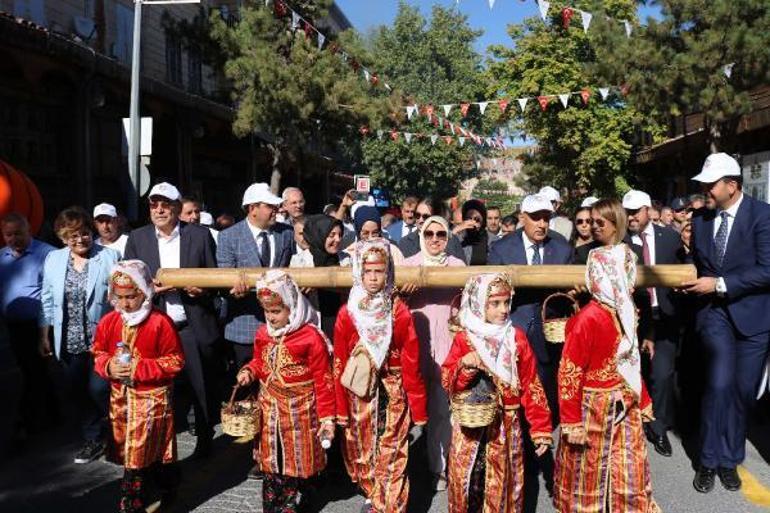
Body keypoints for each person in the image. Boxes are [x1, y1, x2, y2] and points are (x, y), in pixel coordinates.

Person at [682, 153, 770, 493]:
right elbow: (696, 261)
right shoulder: (702, 219)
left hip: (754, 320)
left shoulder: (763, 217)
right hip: (714, 315)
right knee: (718, 386)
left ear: (732, 186)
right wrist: (688, 275)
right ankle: (707, 460)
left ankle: (730, 460)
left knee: (741, 393)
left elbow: (767, 269)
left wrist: (719, 283)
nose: (704, 188)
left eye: (711, 183)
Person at [554, 241, 659, 513]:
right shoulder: (588, 318)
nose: (631, 280)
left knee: (630, 470)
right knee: (588, 473)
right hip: (592, 409)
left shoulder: (625, 312)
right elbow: (569, 372)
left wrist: (643, 397)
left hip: (626, 403)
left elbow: (630, 362)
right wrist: (572, 422)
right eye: (626, 273)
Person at [442, 273, 553, 513]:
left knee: (502, 485)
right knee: (469, 482)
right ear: (479, 304)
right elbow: (447, 380)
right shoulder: (465, 338)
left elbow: (531, 384)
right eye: (495, 304)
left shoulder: (516, 338)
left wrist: (541, 428)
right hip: (470, 425)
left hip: (506, 425)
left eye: (506, 303)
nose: (503, 310)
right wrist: (465, 367)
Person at [123, 182, 219, 458]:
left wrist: (200, 289)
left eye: (166, 205)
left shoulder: (199, 236)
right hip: (155, 326)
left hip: (192, 324)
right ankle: (159, 447)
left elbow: (215, 278)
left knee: (201, 385)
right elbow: (129, 282)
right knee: (159, 390)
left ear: (177, 208)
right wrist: (152, 290)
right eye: (154, 204)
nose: (160, 210)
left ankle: (205, 437)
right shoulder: (138, 238)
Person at [333, 239, 427, 513]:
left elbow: (411, 361)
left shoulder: (398, 311)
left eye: (380, 271)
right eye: (368, 272)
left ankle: (391, 505)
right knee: (362, 450)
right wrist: (339, 408)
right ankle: (373, 495)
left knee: (394, 451)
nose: (374, 278)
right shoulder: (347, 313)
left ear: (389, 273)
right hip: (360, 393)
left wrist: (418, 407)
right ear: (358, 274)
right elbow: (339, 362)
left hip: (393, 391)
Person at [236, 270, 335, 513]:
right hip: (270, 410)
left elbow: (323, 380)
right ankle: (273, 505)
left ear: (292, 307)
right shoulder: (263, 334)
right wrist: (249, 371)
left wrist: (327, 418)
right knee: (272, 462)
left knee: (296, 462)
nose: (271, 318)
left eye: (276, 312)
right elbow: (260, 362)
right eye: (267, 312)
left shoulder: (310, 338)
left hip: (299, 411)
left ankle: (296, 501)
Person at [92, 260, 185, 513]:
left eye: (131, 297)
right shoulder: (109, 321)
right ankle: (161, 484)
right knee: (137, 455)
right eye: (119, 297)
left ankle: (134, 502)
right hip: (121, 400)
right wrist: (108, 367)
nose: (125, 303)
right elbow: (98, 351)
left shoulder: (159, 322)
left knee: (141, 455)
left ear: (144, 291)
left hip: (151, 401)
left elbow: (175, 360)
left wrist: (139, 368)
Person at [40, 206, 119, 463]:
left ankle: (115, 431)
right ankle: (93, 438)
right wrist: (44, 335)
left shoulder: (109, 256)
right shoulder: (53, 259)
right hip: (69, 337)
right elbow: (48, 299)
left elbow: (120, 297)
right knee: (77, 392)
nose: (80, 240)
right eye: (72, 236)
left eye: (84, 233)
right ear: (63, 239)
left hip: (102, 339)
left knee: (99, 389)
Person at [402, 215, 465, 490]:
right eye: (429, 234)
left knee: (441, 410)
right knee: (405, 410)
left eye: (441, 234)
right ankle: (399, 468)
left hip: (446, 346)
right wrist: (404, 294)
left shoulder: (458, 266)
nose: (435, 239)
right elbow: (392, 305)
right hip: (414, 345)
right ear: (421, 236)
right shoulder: (409, 265)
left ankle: (439, 468)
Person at [623, 189, 683, 457]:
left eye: (636, 211)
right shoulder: (620, 243)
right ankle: (632, 423)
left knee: (662, 374)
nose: (631, 216)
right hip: (633, 319)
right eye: (627, 212)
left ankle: (658, 429)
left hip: (666, 318)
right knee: (634, 375)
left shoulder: (671, 238)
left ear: (649, 210)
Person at [217, 182, 294, 378]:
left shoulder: (286, 234)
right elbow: (223, 277)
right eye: (269, 206)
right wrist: (233, 291)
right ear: (252, 209)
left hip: (281, 328)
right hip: (244, 328)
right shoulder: (229, 237)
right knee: (245, 390)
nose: (275, 210)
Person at [1, 213, 56, 440]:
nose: (14, 238)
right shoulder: (1, 257)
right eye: (8, 234)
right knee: (34, 371)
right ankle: (54, 413)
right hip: (13, 325)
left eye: (18, 233)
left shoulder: (47, 253)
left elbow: (52, 291)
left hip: (40, 325)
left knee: (33, 371)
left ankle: (27, 421)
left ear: (29, 230)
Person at [303, 214, 344, 338]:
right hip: (312, 327)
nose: (337, 239)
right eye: (331, 235)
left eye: (340, 235)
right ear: (318, 235)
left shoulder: (346, 259)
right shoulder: (300, 261)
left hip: (341, 324)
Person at [398, 197, 465, 261]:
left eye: (425, 216)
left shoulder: (451, 240)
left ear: (436, 216)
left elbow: (462, 269)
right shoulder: (405, 243)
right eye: (417, 215)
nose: (420, 220)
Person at [340, 205, 405, 265]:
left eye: (375, 233)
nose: (370, 238)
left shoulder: (392, 252)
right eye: (365, 233)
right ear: (358, 232)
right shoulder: (349, 254)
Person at [453, 199, 489, 265]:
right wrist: (455, 230)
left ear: (483, 219)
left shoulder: (492, 240)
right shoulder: (458, 239)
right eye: (469, 219)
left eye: (477, 219)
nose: (473, 222)